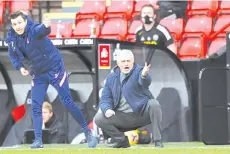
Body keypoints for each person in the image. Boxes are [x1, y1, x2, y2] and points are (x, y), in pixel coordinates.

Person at [5, 11, 97, 149]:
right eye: (14, 24)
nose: (17, 26)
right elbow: (12, 55)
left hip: (55, 69)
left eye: (19, 23)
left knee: (68, 102)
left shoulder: (33, 30)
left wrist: (46, 26)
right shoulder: (12, 38)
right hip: (38, 73)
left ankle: (88, 133)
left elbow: (42, 30)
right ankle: (38, 140)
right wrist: (19, 67)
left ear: (25, 21)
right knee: (35, 106)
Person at [94, 49, 164, 148]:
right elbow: (105, 98)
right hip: (123, 118)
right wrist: (107, 109)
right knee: (99, 118)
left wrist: (144, 75)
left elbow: (145, 81)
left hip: (140, 114)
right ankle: (122, 141)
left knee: (154, 104)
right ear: (118, 63)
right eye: (123, 61)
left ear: (133, 62)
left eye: (128, 61)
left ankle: (158, 141)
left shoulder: (139, 71)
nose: (126, 64)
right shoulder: (111, 78)